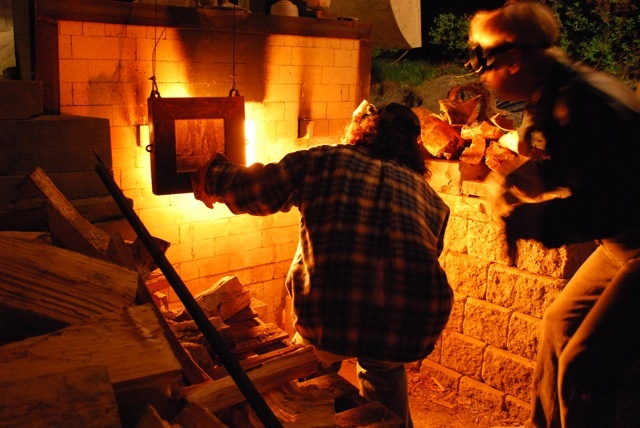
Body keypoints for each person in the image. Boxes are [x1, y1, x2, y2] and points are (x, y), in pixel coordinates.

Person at [191, 101, 453, 427]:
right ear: (412, 148)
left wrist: (212, 176)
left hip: (330, 316)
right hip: (409, 326)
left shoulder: (326, 159)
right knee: (385, 370)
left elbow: (257, 188)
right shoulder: (431, 200)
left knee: (311, 363)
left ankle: (304, 397)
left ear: (361, 132)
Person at [467, 1, 640, 427]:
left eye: (481, 56)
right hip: (625, 240)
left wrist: (531, 222)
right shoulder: (561, 91)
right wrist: (520, 177)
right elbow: (588, 165)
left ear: (513, 58)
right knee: (557, 325)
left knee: (585, 364)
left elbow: (607, 205)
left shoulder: (581, 102)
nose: (477, 67)